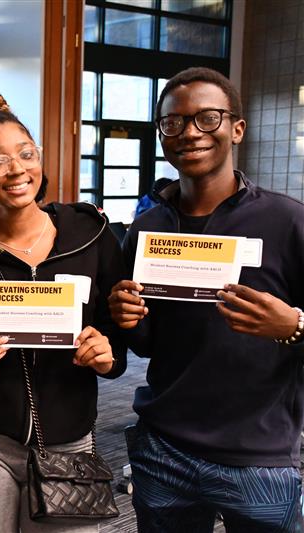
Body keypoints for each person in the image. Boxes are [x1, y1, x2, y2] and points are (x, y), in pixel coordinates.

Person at [108, 67, 304, 531]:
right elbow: (150, 344)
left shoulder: (287, 221)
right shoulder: (148, 227)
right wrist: (128, 318)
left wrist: (294, 324)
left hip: (261, 457)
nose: (190, 133)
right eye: (173, 123)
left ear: (236, 128)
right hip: (164, 451)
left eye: (207, 118)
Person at [0, 84, 127, 533]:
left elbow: (120, 338)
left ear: (39, 158)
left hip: (69, 444)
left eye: (25, 153)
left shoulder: (91, 238)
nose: (15, 169)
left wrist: (108, 354)